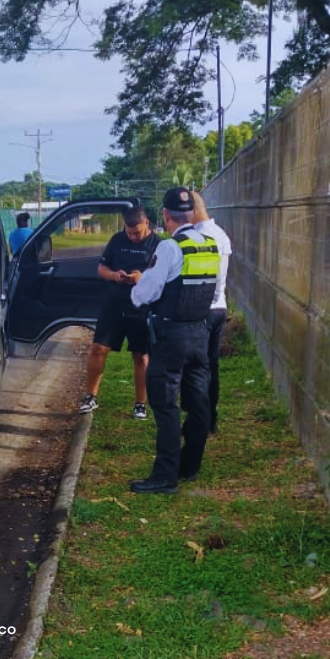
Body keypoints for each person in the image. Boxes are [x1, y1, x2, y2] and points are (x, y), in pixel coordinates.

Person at [128, 187, 221, 494]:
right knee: (198, 402)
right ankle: (190, 465)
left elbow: (145, 294)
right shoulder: (211, 244)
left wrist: (139, 283)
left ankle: (165, 476)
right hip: (200, 333)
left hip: (171, 336)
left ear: (166, 216)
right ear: (192, 213)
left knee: (165, 404)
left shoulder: (170, 248)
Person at [77, 206, 159, 418]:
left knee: (140, 356)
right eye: (128, 232)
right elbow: (101, 269)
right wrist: (114, 275)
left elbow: (162, 278)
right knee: (98, 349)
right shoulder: (117, 240)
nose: (132, 237)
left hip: (140, 307)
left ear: (146, 224)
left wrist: (142, 278)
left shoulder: (158, 245)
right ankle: (90, 397)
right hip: (113, 303)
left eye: (136, 233)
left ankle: (140, 404)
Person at [192, 191, 233, 435]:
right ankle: (210, 420)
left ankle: (200, 420)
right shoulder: (221, 235)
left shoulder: (199, 237)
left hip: (203, 309)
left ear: (193, 210)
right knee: (211, 365)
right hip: (220, 307)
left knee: (198, 368)